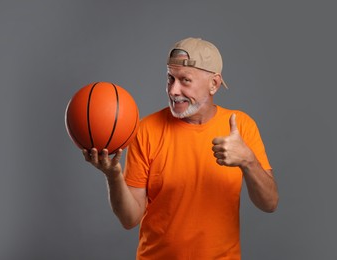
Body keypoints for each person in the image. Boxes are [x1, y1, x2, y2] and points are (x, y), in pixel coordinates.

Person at [83, 37, 279, 259]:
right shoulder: (146, 129)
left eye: (185, 80)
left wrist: (248, 161)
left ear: (214, 84)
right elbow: (130, 219)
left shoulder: (242, 125)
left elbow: (270, 203)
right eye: (170, 78)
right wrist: (113, 175)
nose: (173, 90)